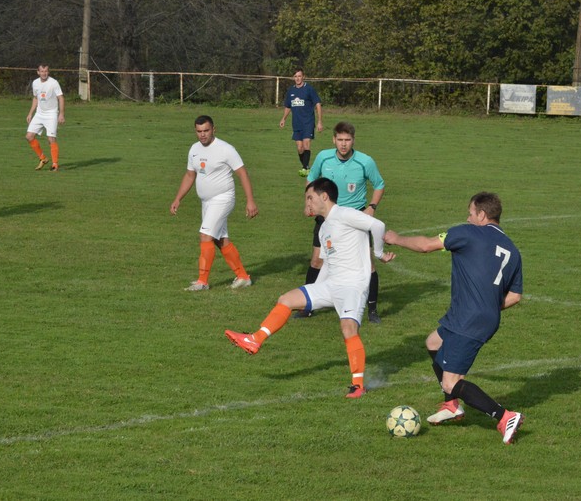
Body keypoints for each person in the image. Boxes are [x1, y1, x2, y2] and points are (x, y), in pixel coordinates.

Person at [225, 177, 395, 398]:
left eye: (310, 198)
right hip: (331, 284)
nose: (307, 203)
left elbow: (377, 225)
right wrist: (313, 292)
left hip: (353, 286)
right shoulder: (324, 228)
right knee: (287, 299)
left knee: (348, 329)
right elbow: (327, 263)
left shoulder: (345, 214)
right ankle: (255, 340)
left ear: (324, 196)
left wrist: (379, 253)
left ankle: (358, 385)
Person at [383, 192, 525, 444]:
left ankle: (505, 417)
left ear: (482, 215)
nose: (468, 218)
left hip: (468, 319)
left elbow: (426, 245)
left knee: (450, 381)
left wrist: (395, 239)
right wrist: (487, 305)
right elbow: (515, 296)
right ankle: (451, 405)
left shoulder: (468, 233)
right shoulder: (513, 250)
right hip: (476, 316)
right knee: (433, 343)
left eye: (471, 213)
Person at [299, 121, 385, 324]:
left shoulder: (365, 161)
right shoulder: (323, 157)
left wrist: (372, 207)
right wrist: (308, 203)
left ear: (353, 140)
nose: (343, 144)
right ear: (334, 140)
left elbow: (379, 184)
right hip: (326, 218)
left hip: (354, 220)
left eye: (347, 140)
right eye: (340, 140)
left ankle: (372, 310)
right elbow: (311, 180)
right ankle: (307, 307)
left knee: (368, 264)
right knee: (317, 261)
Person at [170, 115, 258, 291]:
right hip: (206, 202)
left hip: (223, 198)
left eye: (206, 130)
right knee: (220, 240)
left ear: (213, 130)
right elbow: (190, 175)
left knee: (205, 235)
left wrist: (250, 201)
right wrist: (178, 198)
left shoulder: (226, 149)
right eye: (199, 131)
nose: (202, 134)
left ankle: (202, 282)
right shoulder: (194, 149)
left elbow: (242, 173)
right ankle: (243, 277)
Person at [279, 68, 323, 176]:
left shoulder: (309, 89)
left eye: (299, 76)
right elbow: (288, 106)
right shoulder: (291, 91)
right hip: (296, 123)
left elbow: (317, 104)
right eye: (296, 76)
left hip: (308, 122)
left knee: (306, 144)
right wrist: (283, 118)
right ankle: (306, 166)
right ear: (293, 78)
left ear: (303, 77)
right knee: (300, 148)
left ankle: (305, 168)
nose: (297, 78)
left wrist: (319, 121)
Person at [25, 64, 65, 171]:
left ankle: (55, 164)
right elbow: (35, 98)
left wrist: (61, 114)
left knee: (51, 139)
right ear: (38, 72)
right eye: (42, 71)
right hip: (39, 114)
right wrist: (30, 113)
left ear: (48, 72)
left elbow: (61, 98)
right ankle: (43, 158)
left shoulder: (54, 83)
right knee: (29, 136)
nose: (44, 73)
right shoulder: (35, 83)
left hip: (51, 114)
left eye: (46, 71)